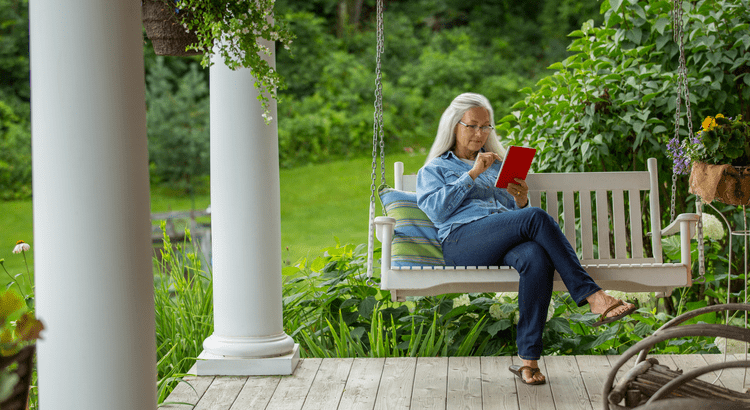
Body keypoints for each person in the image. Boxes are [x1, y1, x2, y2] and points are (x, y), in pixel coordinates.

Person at [416, 93, 636, 385]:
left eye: (486, 127)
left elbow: (508, 217)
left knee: (535, 256)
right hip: (461, 242)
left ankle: (528, 361)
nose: (480, 133)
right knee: (536, 217)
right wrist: (471, 174)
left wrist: (519, 201)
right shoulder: (435, 169)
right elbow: (436, 211)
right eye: (472, 126)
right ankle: (594, 296)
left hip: (497, 240)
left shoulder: (497, 166)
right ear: (454, 126)